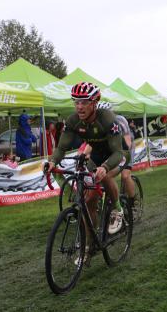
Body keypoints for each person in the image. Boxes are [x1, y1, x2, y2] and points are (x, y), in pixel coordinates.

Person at [45, 82, 125, 243]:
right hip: (96, 155)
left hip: (118, 154)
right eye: (76, 102)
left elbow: (118, 152)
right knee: (89, 201)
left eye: (85, 102)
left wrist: (105, 166)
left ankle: (118, 210)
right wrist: (52, 161)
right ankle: (91, 243)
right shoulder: (73, 120)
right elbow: (61, 147)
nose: (79, 107)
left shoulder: (107, 119)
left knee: (104, 176)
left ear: (95, 103)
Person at [88, 102, 136, 209]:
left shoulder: (120, 120)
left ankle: (132, 202)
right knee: (99, 175)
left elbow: (127, 143)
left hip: (126, 148)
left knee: (125, 176)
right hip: (112, 149)